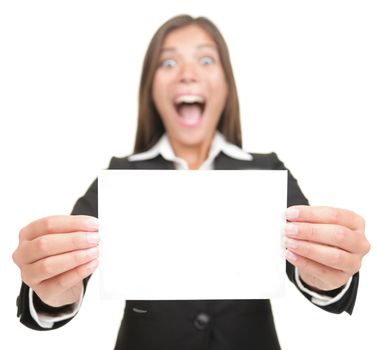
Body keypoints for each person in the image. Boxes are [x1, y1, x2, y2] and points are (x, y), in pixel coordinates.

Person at [12, 14, 370, 350]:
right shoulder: (121, 175)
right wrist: (53, 289)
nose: (187, 73)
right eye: (168, 63)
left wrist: (329, 276)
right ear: (151, 89)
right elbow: (64, 283)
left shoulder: (267, 170)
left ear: (227, 85)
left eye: (205, 60)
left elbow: (311, 269)